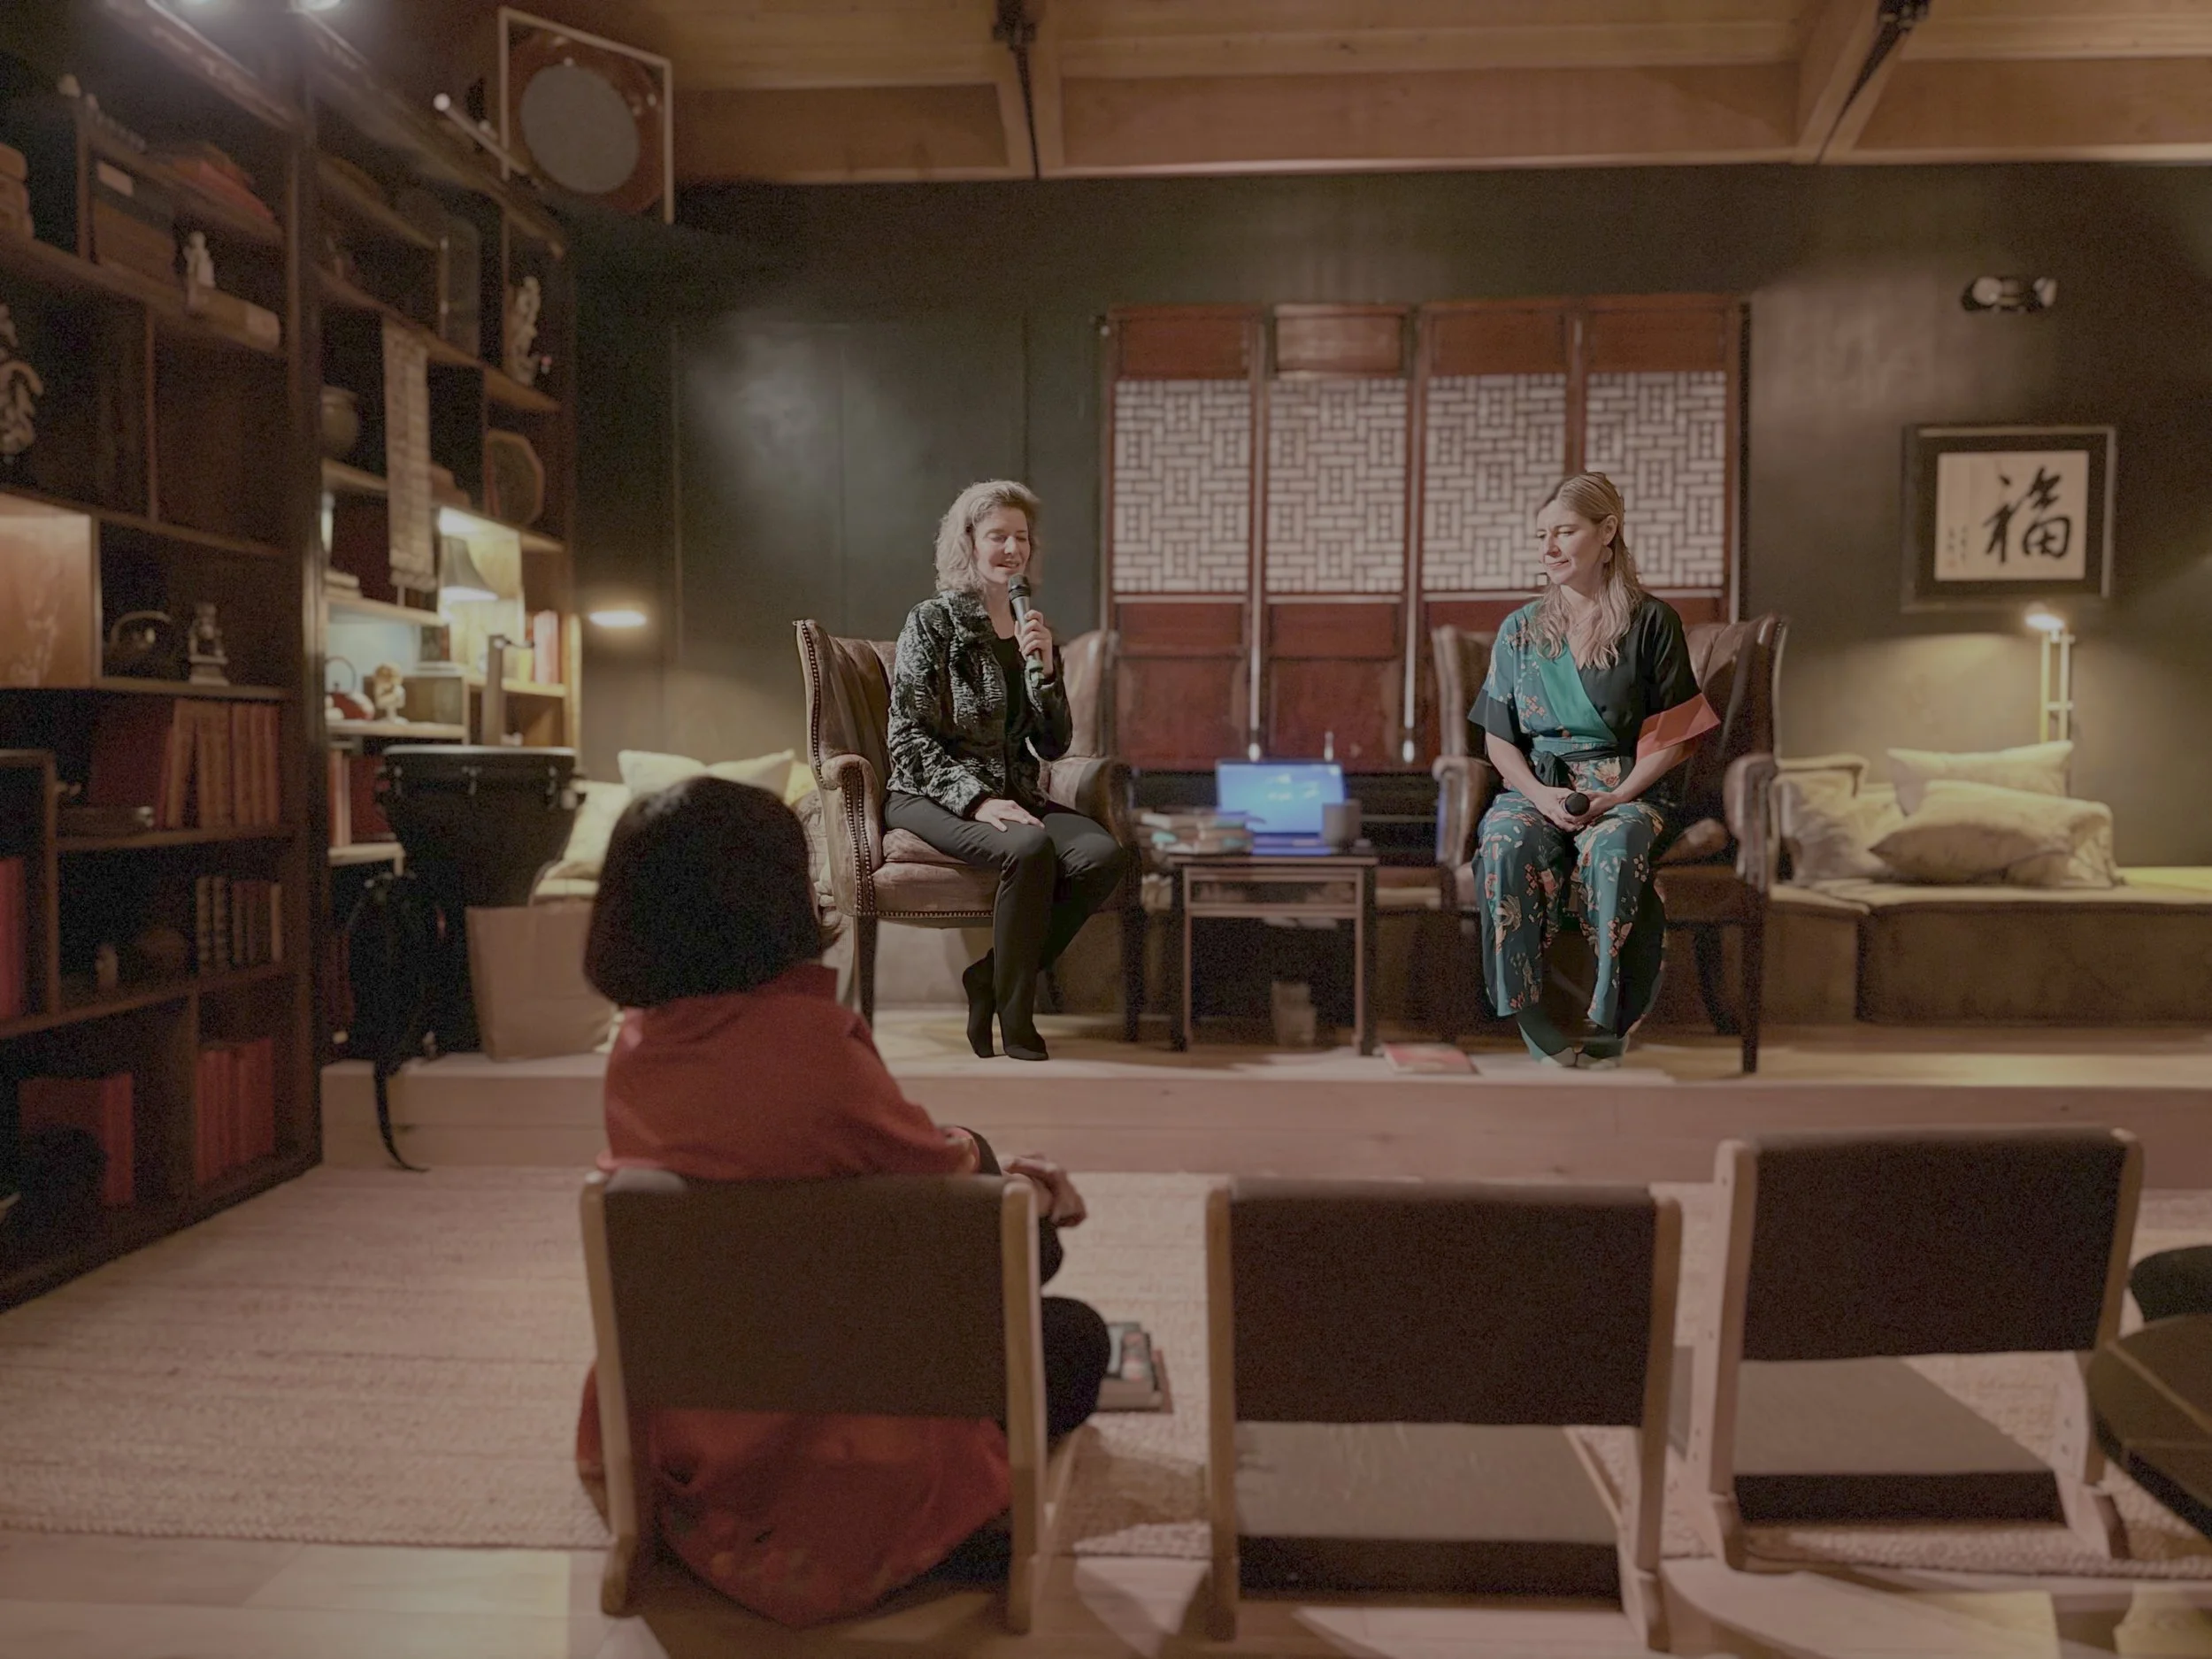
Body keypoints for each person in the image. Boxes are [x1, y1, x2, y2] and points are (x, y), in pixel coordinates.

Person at [572, 777, 1110, 1628]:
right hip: (845, 1399)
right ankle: (947, 1519)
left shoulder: (632, 1057)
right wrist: (1024, 1190)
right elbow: (946, 1193)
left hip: (712, 1397)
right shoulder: (817, 1050)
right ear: (775, 900)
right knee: (1069, 1322)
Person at [1471, 472, 1717, 1070]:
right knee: (1502, 841)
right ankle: (1528, 1013)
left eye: (1564, 531)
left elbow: (1674, 737)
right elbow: (1498, 740)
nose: (1548, 547)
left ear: (1607, 532)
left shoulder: (1652, 621)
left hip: (1625, 787)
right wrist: (1537, 793)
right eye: (1541, 535)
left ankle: (1610, 1018)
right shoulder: (1520, 629)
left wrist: (1617, 796)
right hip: (1538, 785)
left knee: (1617, 844)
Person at [885, 480, 1132, 1063]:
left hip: (1014, 788)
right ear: (968, 542)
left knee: (1103, 856)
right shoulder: (932, 623)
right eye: (998, 536)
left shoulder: (1031, 628)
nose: (1011, 549)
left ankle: (990, 979)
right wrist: (975, 801)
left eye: (1020, 537)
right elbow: (908, 738)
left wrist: (1043, 670)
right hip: (929, 791)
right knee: (1028, 847)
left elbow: (1054, 743)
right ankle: (1016, 1014)